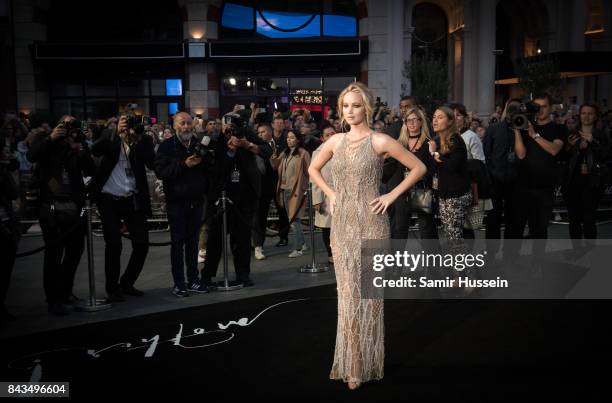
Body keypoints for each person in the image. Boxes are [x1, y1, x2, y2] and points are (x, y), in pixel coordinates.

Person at [308, 82, 426, 390]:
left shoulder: (380, 140)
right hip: (343, 225)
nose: (350, 111)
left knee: (369, 296)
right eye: (346, 106)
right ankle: (355, 361)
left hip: (372, 224)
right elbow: (313, 169)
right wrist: (331, 193)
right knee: (347, 296)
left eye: (356, 105)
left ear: (367, 108)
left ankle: (371, 358)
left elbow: (418, 167)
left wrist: (391, 196)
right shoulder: (334, 141)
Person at [27, 116, 96, 315]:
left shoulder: (76, 146)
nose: (68, 130)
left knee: (75, 251)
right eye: (64, 125)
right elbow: (32, 155)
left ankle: (66, 292)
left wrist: (79, 146)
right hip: (51, 206)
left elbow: (91, 169)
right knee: (53, 255)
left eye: (72, 126)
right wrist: (52, 138)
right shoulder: (45, 139)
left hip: (75, 206)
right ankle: (53, 299)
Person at [200, 114, 272, 288]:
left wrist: (246, 144)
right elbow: (209, 161)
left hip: (245, 197)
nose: (231, 130)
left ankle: (243, 275)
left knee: (242, 239)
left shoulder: (247, 135)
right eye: (227, 125)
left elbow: (267, 151)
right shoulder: (215, 137)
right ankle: (207, 276)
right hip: (221, 196)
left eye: (235, 126)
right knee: (215, 240)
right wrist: (228, 149)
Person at [91, 114, 156, 302]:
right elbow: (96, 150)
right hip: (109, 199)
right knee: (114, 245)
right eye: (124, 123)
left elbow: (151, 163)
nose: (128, 127)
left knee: (142, 243)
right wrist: (116, 132)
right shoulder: (108, 136)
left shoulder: (141, 140)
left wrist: (140, 139)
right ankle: (112, 289)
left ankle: (127, 282)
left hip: (132, 198)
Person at [155, 112, 211, 297]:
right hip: (176, 203)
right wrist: (184, 164)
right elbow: (161, 172)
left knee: (193, 243)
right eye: (183, 124)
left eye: (189, 123)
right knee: (177, 244)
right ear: (175, 126)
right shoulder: (166, 147)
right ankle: (179, 283)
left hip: (196, 201)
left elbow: (207, 171)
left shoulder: (198, 144)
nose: (187, 127)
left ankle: (193, 280)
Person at [508, 93, 567, 257]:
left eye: (544, 106)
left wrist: (535, 135)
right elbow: (520, 155)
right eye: (537, 107)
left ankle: (538, 264)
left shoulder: (558, 128)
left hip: (544, 187)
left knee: (539, 229)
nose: (540, 110)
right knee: (516, 227)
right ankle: (512, 261)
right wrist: (518, 132)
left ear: (551, 108)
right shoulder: (526, 126)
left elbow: (554, 150)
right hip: (522, 185)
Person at [384, 107, 438, 241]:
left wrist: (433, 153)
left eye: (415, 120)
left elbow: (434, 168)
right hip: (401, 191)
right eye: (408, 120)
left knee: (427, 230)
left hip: (423, 191)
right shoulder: (399, 144)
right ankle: (396, 261)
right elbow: (390, 167)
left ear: (421, 122)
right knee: (398, 230)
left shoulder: (429, 143)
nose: (412, 123)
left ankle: (432, 260)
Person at [563, 103, 610, 248]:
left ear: (595, 116)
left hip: (593, 182)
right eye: (584, 113)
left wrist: (593, 141)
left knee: (589, 218)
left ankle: (590, 250)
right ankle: (576, 249)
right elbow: (563, 157)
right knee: (574, 218)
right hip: (573, 182)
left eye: (590, 113)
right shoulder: (572, 133)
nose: (586, 116)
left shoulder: (602, 134)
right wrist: (569, 147)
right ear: (580, 115)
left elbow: (606, 155)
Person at [429, 106, 472, 252]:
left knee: (455, 237)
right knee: (450, 236)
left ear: (449, 121)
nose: (435, 120)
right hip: (443, 194)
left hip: (456, 195)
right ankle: (458, 272)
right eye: (434, 117)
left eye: (440, 117)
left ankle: (466, 273)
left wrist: (434, 153)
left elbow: (451, 167)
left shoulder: (456, 140)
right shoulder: (436, 140)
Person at [272, 130, 311, 258]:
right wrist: (274, 157)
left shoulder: (303, 154)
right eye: (288, 138)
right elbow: (275, 166)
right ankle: (303, 244)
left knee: (294, 220)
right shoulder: (285, 153)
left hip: (296, 191)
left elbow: (310, 172)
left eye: (292, 138)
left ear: (298, 139)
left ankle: (298, 248)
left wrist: (305, 188)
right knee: (294, 219)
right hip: (285, 189)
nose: (289, 140)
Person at [0, 139, 20, 323]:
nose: (7, 153)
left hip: (7, 222)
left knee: (6, 271)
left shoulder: (5, 170)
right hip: (3, 225)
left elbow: (13, 192)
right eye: (4, 150)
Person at [311, 125, 336, 264]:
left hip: (343, 194)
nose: (331, 136)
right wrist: (317, 199)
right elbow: (314, 178)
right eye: (327, 134)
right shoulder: (317, 152)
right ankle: (331, 253)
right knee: (328, 227)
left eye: (333, 133)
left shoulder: (344, 149)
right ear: (322, 138)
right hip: (326, 194)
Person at [252, 124, 277, 260]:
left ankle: (259, 245)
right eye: (259, 132)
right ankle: (256, 245)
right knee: (255, 218)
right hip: (253, 190)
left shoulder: (272, 146)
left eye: (263, 132)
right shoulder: (253, 148)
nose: (260, 134)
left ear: (270, 132)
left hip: (267, 189)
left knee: (261, 218)